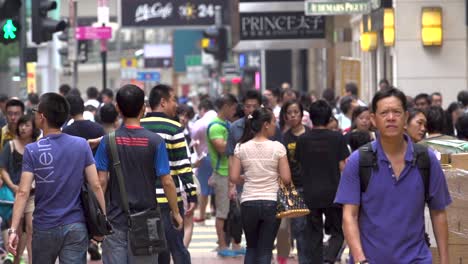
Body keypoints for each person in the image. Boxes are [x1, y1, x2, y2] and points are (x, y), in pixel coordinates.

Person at [335, 87, 451, 263]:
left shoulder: (426, 160)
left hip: (416, 259)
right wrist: (360, 259)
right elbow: (349, 216)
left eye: (396, 112)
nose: (391, 118)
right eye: (384, 113)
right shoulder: (359, 161)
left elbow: (438, 212)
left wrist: (444, 260)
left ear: (405, 117)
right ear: (373, 119)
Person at [8, 93, 106, 263]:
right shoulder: (82, 144)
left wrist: (13, 230)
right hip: (76, 225)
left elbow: (23, 192)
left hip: (44, 226)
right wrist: (102, 221)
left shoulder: (32, 150)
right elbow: (96, 185)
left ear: (42, 117)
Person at [95, 84, 183, 264]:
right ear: (144, 108)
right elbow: (167, 181)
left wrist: (100, 217)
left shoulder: (107, 141)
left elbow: (101, 182)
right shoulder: (155, 141)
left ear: (118, 108)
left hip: (115, 221)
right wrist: (175, 212)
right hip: (147, 220)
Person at [140, 84, 195, 264]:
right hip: (169, 200)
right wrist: (192, 195)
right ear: (163, 102)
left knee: (157, 251)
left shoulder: (139, 125)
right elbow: (183, 166)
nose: (176, 105)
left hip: (144, 201)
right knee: (177, 248)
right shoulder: (174, 128)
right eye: (173, 100)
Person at [229, 107, 291, 264]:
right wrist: (271, 177)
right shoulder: (278, 147)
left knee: (251, 248)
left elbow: (234, 177)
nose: (275, 125)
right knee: (265, 250)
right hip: (272, 202)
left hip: (248, 202)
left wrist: (249, 178)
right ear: (266, 125)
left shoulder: (241, 147)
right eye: (273, 122)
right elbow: (286, 178)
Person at [294, 100, 349, 264]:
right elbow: (343, 167)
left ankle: (319, 261)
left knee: (314, 233)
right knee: (339, 232)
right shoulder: (337, 138)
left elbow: (299, 163)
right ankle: (329, 258)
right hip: (334, 193)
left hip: (310, 193)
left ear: (311, 118)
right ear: (328, 118)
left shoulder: (302, 139)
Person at [0, 115, 39, 264]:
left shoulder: (37, 146)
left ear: (33, 128)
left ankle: (30, 260)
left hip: (32, 194)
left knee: (30, 229)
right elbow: (3, 169)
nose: (23, 128)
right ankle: (16, 258)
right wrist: (13, 186)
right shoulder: (10, 145)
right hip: (13, 194)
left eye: (27, 125)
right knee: (17, 229)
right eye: (21, 125)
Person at [279, 100, 311, 264]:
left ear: (301, 114)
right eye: (289, 113)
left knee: (311, 227)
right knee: (299, 228)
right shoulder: (285, 138)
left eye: (295, 112)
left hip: (313, 186)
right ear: (285, 116)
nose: (292, 116)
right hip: (294, 187)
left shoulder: (310, 134)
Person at [207, 94, 238, 257]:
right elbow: (221, 148)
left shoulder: (226, 124)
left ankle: (233, 243)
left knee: (232, 212)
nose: (234, 110)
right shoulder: (215, 127)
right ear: (225, 106)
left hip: (231, 173)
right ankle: (222, 245)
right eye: (233, 107)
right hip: (222, 174)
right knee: (222, 212)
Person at [190, 99, 217, 224]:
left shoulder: (200, 122)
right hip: (221, 157)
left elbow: (194, 139)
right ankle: (215, 211)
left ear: (202, 109)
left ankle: (201, 215)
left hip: (205, 157)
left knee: (204, 188)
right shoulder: (220, 120)